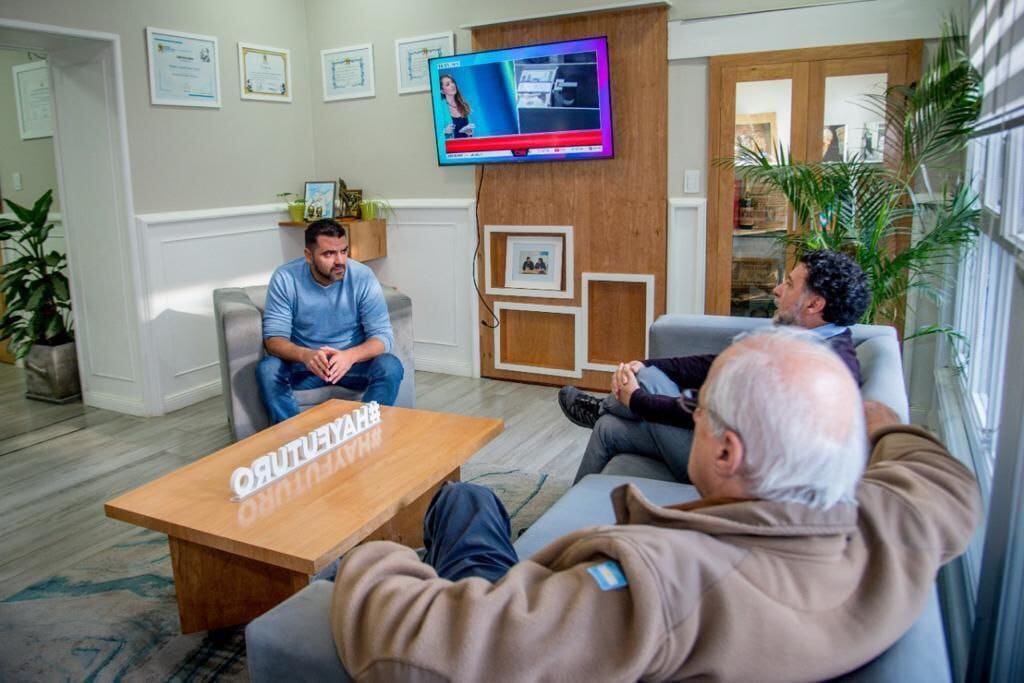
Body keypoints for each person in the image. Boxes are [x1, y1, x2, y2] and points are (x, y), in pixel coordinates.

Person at [327, 329, 980, 681]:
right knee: (472, 500)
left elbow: (427, 649)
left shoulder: (663, 589)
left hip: (516, 615)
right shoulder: (887, 528)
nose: (691, 418)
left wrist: (367, 563)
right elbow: (944, 480)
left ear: (727, 452)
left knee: (462, 504)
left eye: (699, 413)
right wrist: (885, 424)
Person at [560, 249, 870, 483]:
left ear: (815, 305)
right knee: (609, 428)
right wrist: (647, 363)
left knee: (648, 380)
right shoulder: (805, 337)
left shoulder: (812, 367)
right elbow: (718, 364)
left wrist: (638, 399)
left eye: (788, 284)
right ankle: (566, 516)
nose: (777, 289)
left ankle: (604, 406)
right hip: (727, 443)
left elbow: (718, 411)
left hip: (735, 469)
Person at [256, 219, 404, 424]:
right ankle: (293, 438)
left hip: (351, 365)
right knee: (268, 368)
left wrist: (349, 356)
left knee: (390, 366)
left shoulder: (362, 276)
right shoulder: (286, 278)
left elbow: (383, 337)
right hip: (304, 366)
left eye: (344, 251)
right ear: (309, 255)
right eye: (328, 254)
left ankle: (366, 430)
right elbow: (273, 340)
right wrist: (305, 355)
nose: (340, 261)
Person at [439, 74, 475, 139]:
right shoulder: (440, 107)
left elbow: (471, 132)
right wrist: (444, 132)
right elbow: (437, 134)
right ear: (442, 91)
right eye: (448, 84)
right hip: (451, 147)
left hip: (467, 145)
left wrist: (469, 131)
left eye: (453, 82)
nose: (452, 85)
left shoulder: (463, 104)